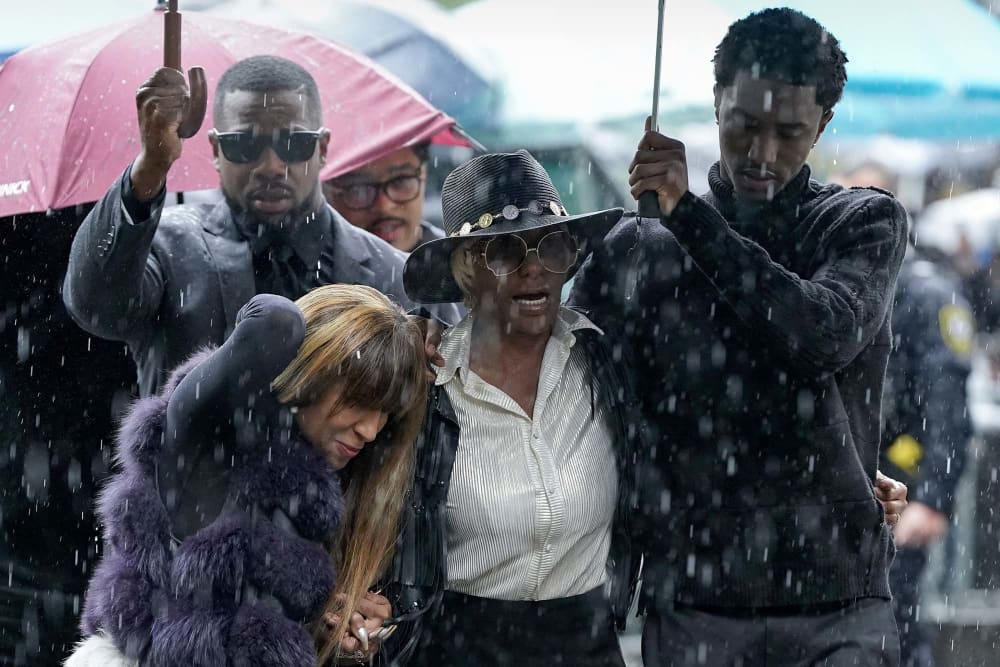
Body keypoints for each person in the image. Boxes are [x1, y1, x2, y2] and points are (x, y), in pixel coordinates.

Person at [567, 8, 909, 665]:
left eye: (789, 132)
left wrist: (690, 217)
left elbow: (819, 335)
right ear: (716, 101)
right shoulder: (637, 246)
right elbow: (568, 382)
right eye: (743, 125)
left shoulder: (863, 222)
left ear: (824, 126)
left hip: (839, 604)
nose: (761, 153)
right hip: (695, 601)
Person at [68, 284, 427, 666]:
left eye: (385, 412)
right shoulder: (211, 439)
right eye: (357, 402)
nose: (370, 431)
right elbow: (273, 322)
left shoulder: (325, 492)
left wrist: (331, 632)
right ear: (310, 375)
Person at [63, 55, 458, 397]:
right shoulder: (168, 249)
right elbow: (95, 306)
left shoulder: (397, 276)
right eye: (245, 145)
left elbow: (445, 425)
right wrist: (150, 166)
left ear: (322, 148)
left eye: (292, 144)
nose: (271, 166)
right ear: (216, 151)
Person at [390, 150, 639, 666]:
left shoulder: (606, 362)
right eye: (504, 251)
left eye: (551, 246)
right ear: (465, 272)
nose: (533, 268)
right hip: (457, 649)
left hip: (587, 647)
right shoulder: (426, 381)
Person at [881, 248, 973, 667]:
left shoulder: (925, 293)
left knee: (892, 620)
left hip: (901, 485)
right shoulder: (862, 279)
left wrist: (933, 499)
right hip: (866, 483)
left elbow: (948, 407)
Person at [323, 143, 446, 252]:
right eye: (358, 189)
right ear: (327, 192)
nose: (384, 206)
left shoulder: (455, 266)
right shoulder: (316, 272)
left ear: (424, 174)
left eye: (400, 181)